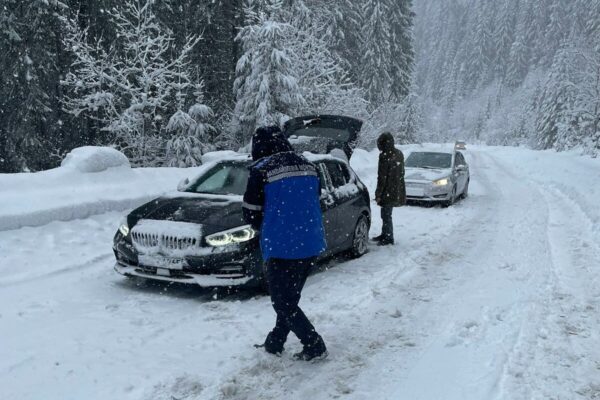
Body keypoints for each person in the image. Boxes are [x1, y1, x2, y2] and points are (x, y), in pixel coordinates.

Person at [242, 125, 328, 361]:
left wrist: (268, 224)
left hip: (281, 245)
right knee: (290, 299)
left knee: (283, 303)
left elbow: (250, 212)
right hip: (310, 242)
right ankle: (276, 341)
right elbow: (314, 199)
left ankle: (314, 344)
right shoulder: (309, 166)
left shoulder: (261, 170)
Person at [374, 132, 406, 246]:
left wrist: (378, 194)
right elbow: (402, 172)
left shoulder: (384, 156)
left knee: (386, 214)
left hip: (387, 190)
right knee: (387, 213)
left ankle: (388, 238)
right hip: (396, 189)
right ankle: (385, 234)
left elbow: (382, 177)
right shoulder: (399, 153)